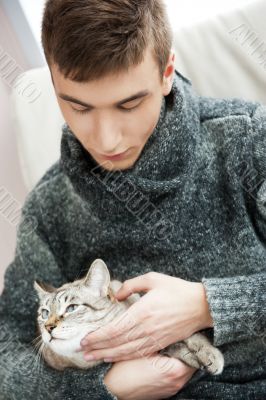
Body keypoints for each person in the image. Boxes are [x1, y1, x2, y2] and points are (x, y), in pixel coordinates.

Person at [0, 0, 265, 399]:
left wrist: (207, 305)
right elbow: (6, 357)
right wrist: (104, 386)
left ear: (167, 72)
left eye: (129, 104)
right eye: (78, 106)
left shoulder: (248, 141)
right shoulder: (49, 209)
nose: (107, 140)